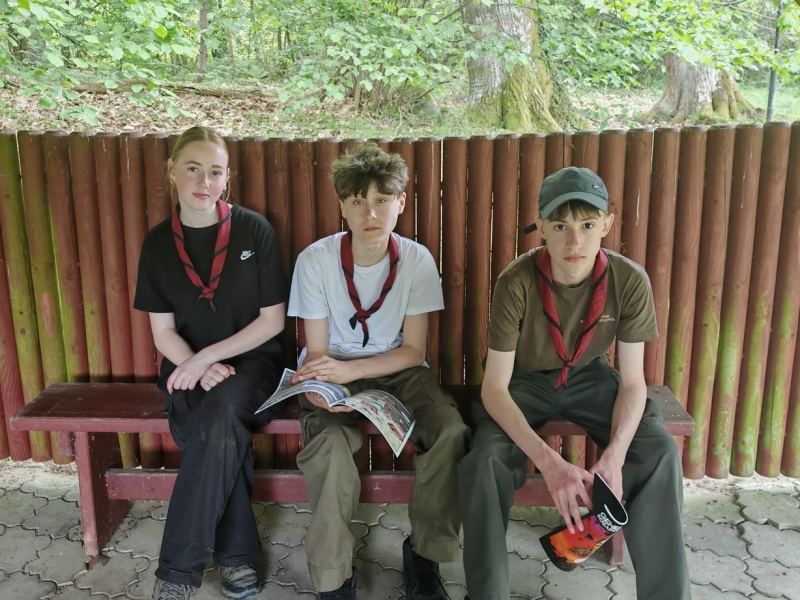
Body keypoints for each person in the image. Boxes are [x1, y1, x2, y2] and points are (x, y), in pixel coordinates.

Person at [457, 167, 690, 600]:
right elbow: (494, 389)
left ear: (607, 224)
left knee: (658, 451)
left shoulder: (628, 279)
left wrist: (614, 457)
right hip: (522, 382)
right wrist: (550, 463)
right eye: (560, 226)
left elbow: (633, 382)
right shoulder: (516, 281)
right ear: (541, 226)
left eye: (587, 225)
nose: (574, 242)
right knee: (484, 460)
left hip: (589, 375)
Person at [288, 142, 470, 599]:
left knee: (448, 430)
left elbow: (413, 351)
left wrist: (357, 373)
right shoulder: (315, 260)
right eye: (357, 201)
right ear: (342, 207)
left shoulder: (416, 259)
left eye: (381, 200)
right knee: (330, 445)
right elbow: (317, 352)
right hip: (333, 368)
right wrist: (323, 386)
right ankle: (333, 577)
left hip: (397, 367)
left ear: (401, 203)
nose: (370, 212)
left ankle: (424, 555)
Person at [133, 126, 288, 600]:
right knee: (213, 426)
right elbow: (162, 332)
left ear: (227, 178)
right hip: (184, 366)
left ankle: (177, 573)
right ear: (172, 172)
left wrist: (209, 358)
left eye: (216, 172)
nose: (205, 181)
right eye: (194, 169)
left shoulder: (254, 229)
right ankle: (236, 557)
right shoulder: (158, 244)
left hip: (252, 365)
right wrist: (195, 364)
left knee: (218, 413)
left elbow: (272, 321)